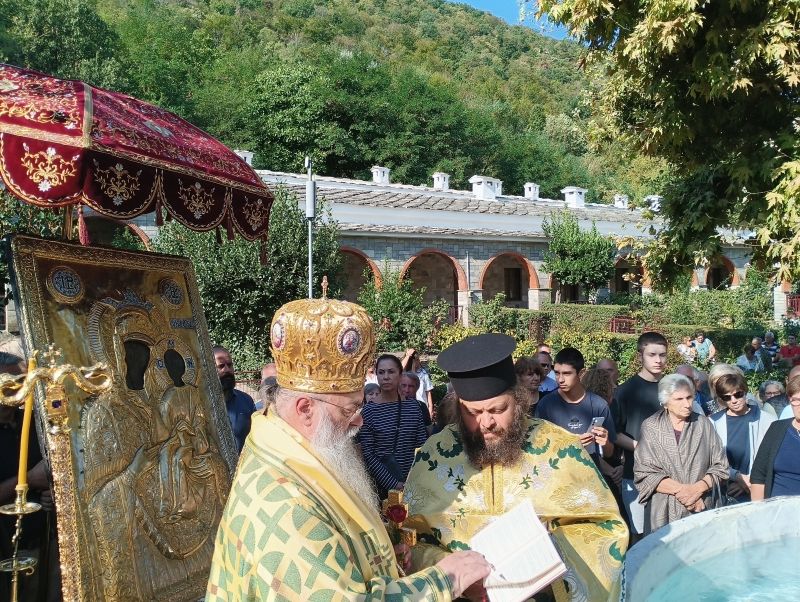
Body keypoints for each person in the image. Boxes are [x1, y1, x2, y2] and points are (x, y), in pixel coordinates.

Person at [207, 296, 492, 600]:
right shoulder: (286, 504)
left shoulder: (290, 448)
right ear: (305, 409)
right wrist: (444, 580)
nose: (359, 421)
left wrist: (382, 559)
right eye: (349, 409)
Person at [404, 334, 628, 602]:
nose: (486, 422)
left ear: (518, 400)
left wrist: (547, 554)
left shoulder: (561, 449)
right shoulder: (434, 455)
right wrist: (453, 573)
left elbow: (606, 528)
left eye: (497, 410)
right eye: (473, 413)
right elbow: (408, 539)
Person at [634, 374, 728, 534]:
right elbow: (645, 473)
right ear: (665, 402)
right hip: (663, 510)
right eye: (679, 399)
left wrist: (697, 489)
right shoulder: (651, 427)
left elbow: (721, 467)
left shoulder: (703, 424)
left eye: (689, 397)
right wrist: (687, 494)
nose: (687, 404)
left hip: (702, 506)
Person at [613, 331, 668, 538]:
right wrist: (642, 448)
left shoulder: (672, 388)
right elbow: (614, 433)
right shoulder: (625, 391)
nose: (658, 360)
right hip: (636, 475)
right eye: (652, 355)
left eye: (662, 355)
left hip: (671, 474)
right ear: (640, 356)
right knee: (640, 537)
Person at [358, 355, 428, 499]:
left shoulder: (413, 407)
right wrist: (393, 484)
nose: (386, 377)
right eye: (381, 372)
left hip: (414, 482)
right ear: (376, 375)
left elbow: (422, 446)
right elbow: (368, 454)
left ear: (400, 375)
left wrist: (417, 477)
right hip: (383, 488)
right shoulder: (368, 412)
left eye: (391, 372)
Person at [536, 347, 617, 462]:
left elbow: (609, 453)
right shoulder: (546, 404)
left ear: (581, 373)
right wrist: (571, 443)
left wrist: (605, 443)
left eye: (567, 373)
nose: (560, 379)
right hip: (558, 470)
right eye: (557, 373)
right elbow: (538, 448)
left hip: (590, 471)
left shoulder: (599, 405)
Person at [710, 373, 775, 502]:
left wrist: (749, 481)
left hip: (758, 489)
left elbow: (772, 456)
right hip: (726, 490)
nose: (734, 400)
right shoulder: (714, 422)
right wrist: (737, 478)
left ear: (745, 391)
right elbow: (711, 459)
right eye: (727, 397)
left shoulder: (767, 420)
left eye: (738, 394)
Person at [751, 377, 800, 500]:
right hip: (777, 508)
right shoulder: (777, 429)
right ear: (789, 400)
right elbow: (758, 476)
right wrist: (759, 509)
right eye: (796, 400)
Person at [213, 346, 256, 453]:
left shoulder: (246, 401)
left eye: (229, 365)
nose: (227, 370)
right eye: (221, 366)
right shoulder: (200, 404)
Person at [402, 348, 434, 419]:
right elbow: (399, 369)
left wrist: (430, 409)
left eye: (417, 360)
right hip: (406, 408)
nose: (417, 362)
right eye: (415, 360)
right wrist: (408, 356)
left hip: (422, 408)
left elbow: (428, 393)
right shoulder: (404, 374)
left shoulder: (423, 373)